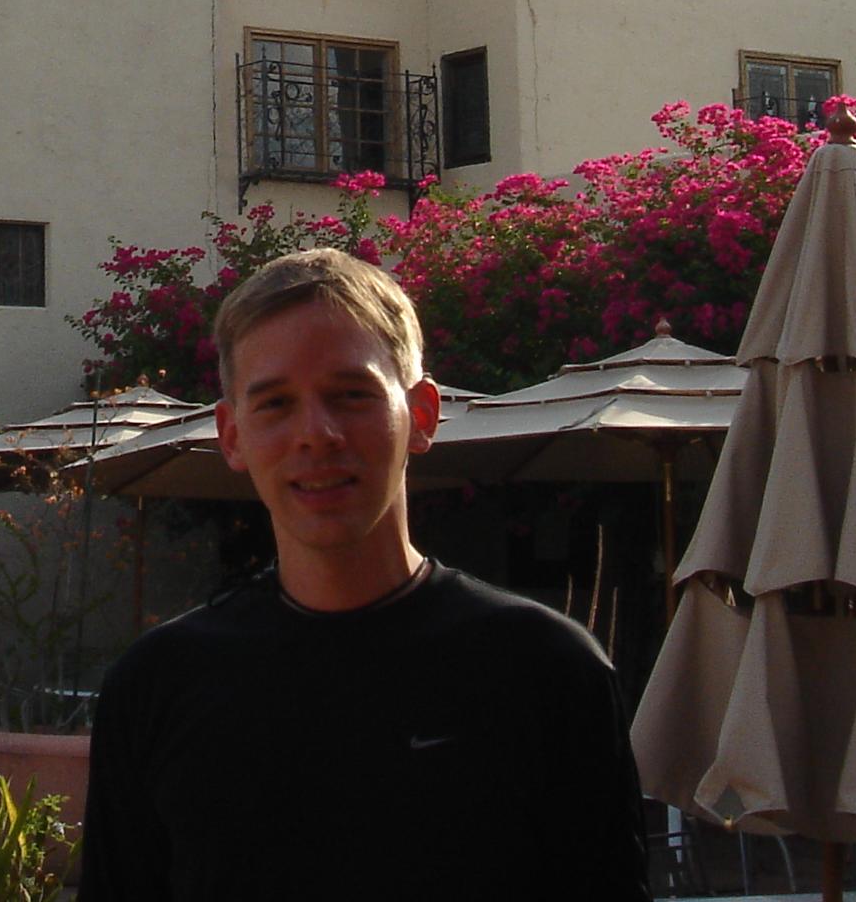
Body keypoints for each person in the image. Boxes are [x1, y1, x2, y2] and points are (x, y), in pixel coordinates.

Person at [78, 247, 650, 901]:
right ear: (232, 435)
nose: (316, 434)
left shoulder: (546, 672)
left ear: (423, 415)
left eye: (351, 396)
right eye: (275, 405)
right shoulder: (159, 688)